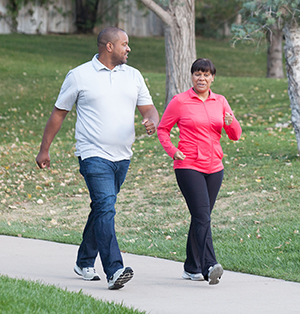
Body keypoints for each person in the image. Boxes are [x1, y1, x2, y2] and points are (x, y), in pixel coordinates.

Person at [36, 27, 159, 290]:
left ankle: (83, 261)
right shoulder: (79, 76)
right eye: (125, 44)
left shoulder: (133, 76)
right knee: (106, 207)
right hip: (92, 154)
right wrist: (44, 149)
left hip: (123, 156)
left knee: (102, 208)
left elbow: (148, 108)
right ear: (109, 47)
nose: (129, 49)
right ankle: (114, 269)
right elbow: (59, 114)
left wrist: (151, 121)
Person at [157, 58, 242, 285]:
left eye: (206, 74)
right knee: (203, 216)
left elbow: (235, 135)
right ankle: (209, 265)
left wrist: (230, 122)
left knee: (200, 217)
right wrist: (172, 151)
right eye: (197, 74)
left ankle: (191, 267)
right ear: (192, 77)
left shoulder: (220, 101)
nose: (201, 78)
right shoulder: (180, 101)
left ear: (213, 78)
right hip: (188, 166)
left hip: (214, 167)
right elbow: (163, 130)